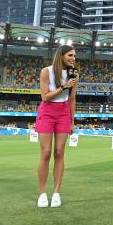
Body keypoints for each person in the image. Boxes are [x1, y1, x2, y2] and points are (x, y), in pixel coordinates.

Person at [35, 45, 78, 208]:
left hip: (64, 112)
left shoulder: (74, 74)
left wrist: (72, 121)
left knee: (59, 152)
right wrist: (64, 86)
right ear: (61, 56)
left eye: (74, 56)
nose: (73, 58)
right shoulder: (46, 71)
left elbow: (72, 99)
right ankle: (42, 193)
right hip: (47, 111)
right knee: (45, 153)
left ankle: (57, 193)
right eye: (70, 55)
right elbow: (45, 97)